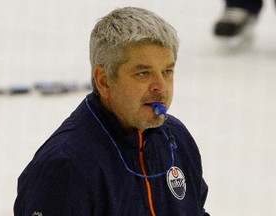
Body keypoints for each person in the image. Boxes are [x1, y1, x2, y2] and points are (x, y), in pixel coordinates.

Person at [14, 7, 209, 216]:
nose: (160, 87)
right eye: (143, 73)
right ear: (104, 81)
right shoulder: (66, 166)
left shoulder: (177, 140)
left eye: (167, 71)